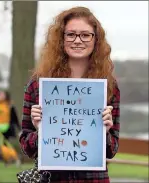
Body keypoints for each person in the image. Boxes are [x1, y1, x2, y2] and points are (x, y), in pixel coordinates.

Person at [19, 6, 120, 183]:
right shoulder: (38, 85)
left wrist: (104, 132)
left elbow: (112, 150)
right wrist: (40, 130)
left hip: (93, 179)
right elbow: (27, 148)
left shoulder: (109, 86)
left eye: (85, 35)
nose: (78, 40)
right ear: (61, 38)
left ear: (96, 39)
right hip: (52, 179)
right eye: (71, 34)